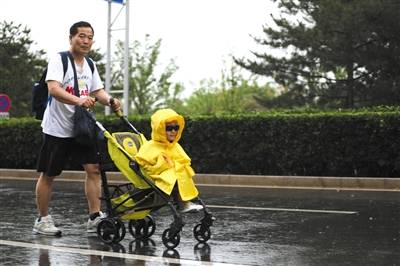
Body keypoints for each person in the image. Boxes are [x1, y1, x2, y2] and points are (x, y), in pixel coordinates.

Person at [33, 21, 121, 236]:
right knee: (50, 173)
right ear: (71, 38)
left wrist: (110, 100)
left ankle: (94, 217)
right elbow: (53, 89)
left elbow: (97, 90)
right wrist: (79, 100)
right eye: (81, 36)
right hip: (57, 128)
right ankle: (42, 220)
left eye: (90, 37)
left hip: (81, 127)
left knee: (94, 169)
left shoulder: (90, 64)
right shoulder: (59, 60)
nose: (86, 41)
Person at [135, 108, 203, 213]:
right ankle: (183, 204)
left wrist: (177, 165)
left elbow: (183, 160)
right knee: (175, 175)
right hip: (156, 177)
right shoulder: (150, 146)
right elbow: (143, 164)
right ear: (160, 129)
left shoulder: (175, 146)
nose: (173, 131)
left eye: (176, 128)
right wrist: (161, 165)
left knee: (183, 172)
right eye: (169, 128)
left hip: (171, 174)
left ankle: (185, 202)